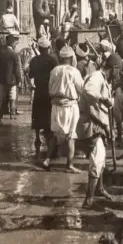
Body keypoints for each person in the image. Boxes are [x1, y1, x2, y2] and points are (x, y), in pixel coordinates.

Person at [77, 60, 116, 208]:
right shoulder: (97, 77)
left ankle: (99, 189)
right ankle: (89, 200)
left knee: (102, 160)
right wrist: (102, 99)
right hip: (91, 124)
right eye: (118, 71)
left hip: (99, 124)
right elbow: (88, 91)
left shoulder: (104, 80)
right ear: (112, 69)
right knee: (97, 160)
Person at [42, 45, 84, 173]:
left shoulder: (54, 70)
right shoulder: (74, 72)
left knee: (55, 134)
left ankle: (47, 160)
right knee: (71, 135)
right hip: (70, 106)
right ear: (71, 58)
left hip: (56, 105)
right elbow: (81, 89)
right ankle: (69, 165)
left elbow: (50, 88)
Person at [29, 37, 57, 158]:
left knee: (37, 113)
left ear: (39, 48)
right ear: (48, 48)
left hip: (39, 90)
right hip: (49, 90)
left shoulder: (34, 60)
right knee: (48, 113)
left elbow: (30, 74)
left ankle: (37, 137)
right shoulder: (52, 60)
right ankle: (49, 135)